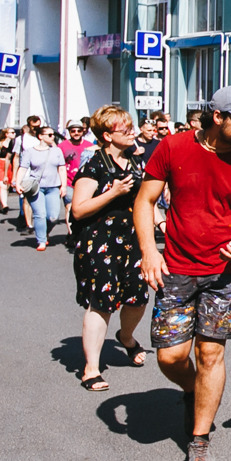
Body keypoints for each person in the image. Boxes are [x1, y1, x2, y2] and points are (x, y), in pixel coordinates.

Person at [134, 86, 231, 461]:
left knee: (211, 354)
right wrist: (149, 251)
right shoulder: (173, 147)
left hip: (227, 273)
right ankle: (193, 390)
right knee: (170, 357)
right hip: (177, 268)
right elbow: (144, 200)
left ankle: (199, 439)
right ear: (218, 117)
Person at [69, 105, 151, 392]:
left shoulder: (136, 162)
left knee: (138, 298)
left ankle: (125, 337)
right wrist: (113, 193)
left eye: (131, 127)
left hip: (133, 239)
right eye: (124, 129)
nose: (131, 132)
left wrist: (161, 222)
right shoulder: (94, 165)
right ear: (107, 135)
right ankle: (91, 369)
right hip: (100, 242)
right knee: (102, 303)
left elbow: (144, 200)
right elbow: (78, 209)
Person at [16, 125, 68, 252]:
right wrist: (17, 183)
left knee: (53, 217)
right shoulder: (29, 152)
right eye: (49, 135)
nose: (52, 137)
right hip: (36, 188)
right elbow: (23, 168)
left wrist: (63, 185)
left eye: (53, 134)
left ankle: (44, 232)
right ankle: (41, 240)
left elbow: (62, 169)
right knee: (40, 214)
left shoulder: (57, 151)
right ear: (40, 136)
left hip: (53, 187)